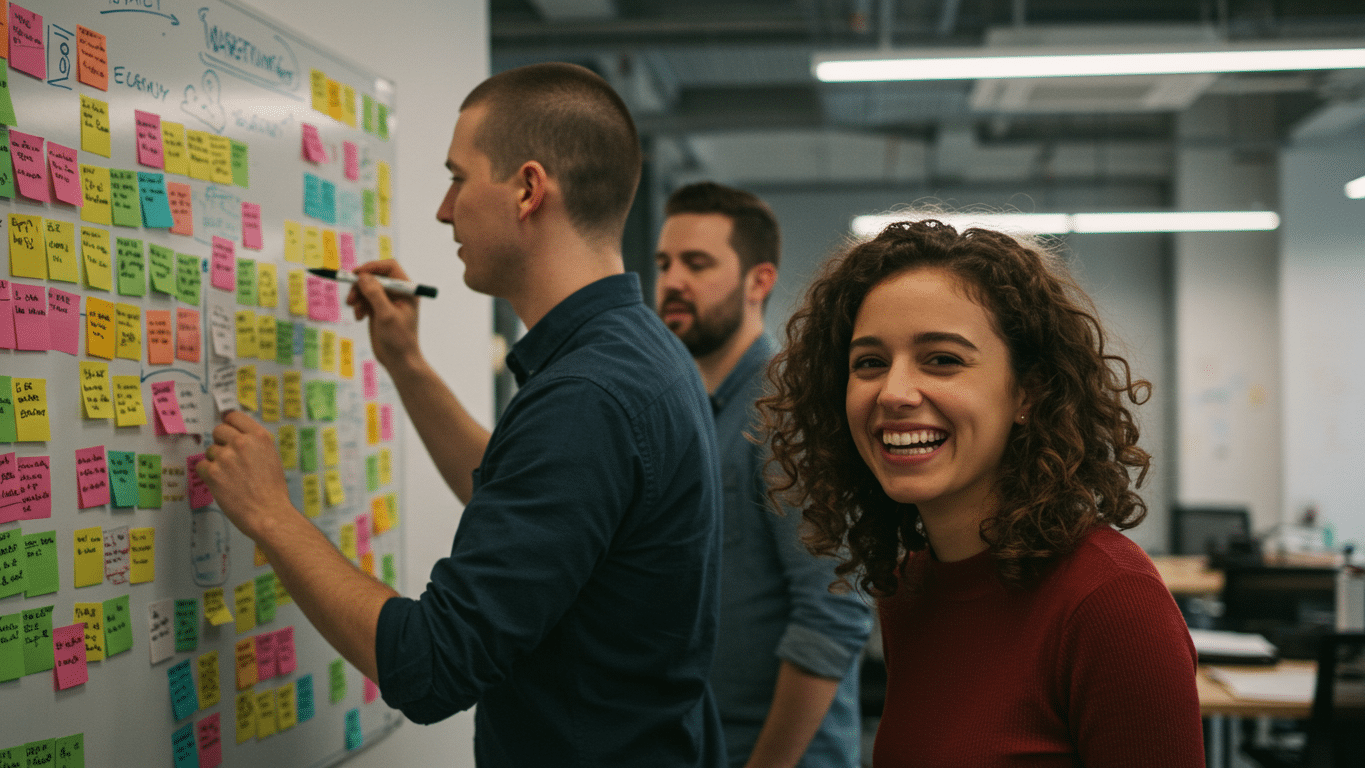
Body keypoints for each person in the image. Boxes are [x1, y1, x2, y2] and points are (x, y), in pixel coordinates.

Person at [195, 62, 727, 767]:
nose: (445, 210)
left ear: (528, 189)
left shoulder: (587, 396)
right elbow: (530, 503)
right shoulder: (638, 353)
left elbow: (432, 664)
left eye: (458, 178)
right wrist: (406, 365)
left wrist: (271, 515)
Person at [759, 219, 1204, 766]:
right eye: (870, 363)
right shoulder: (911, 588)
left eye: (942, 359)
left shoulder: (1111, 602)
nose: (894, 393)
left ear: (1028, 392)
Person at [655, 182, 872, 768]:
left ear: (759, 281)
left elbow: (833, 612)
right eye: (664, 263)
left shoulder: (785, 412)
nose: (673, 281)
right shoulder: (690, 413)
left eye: (697, 263)